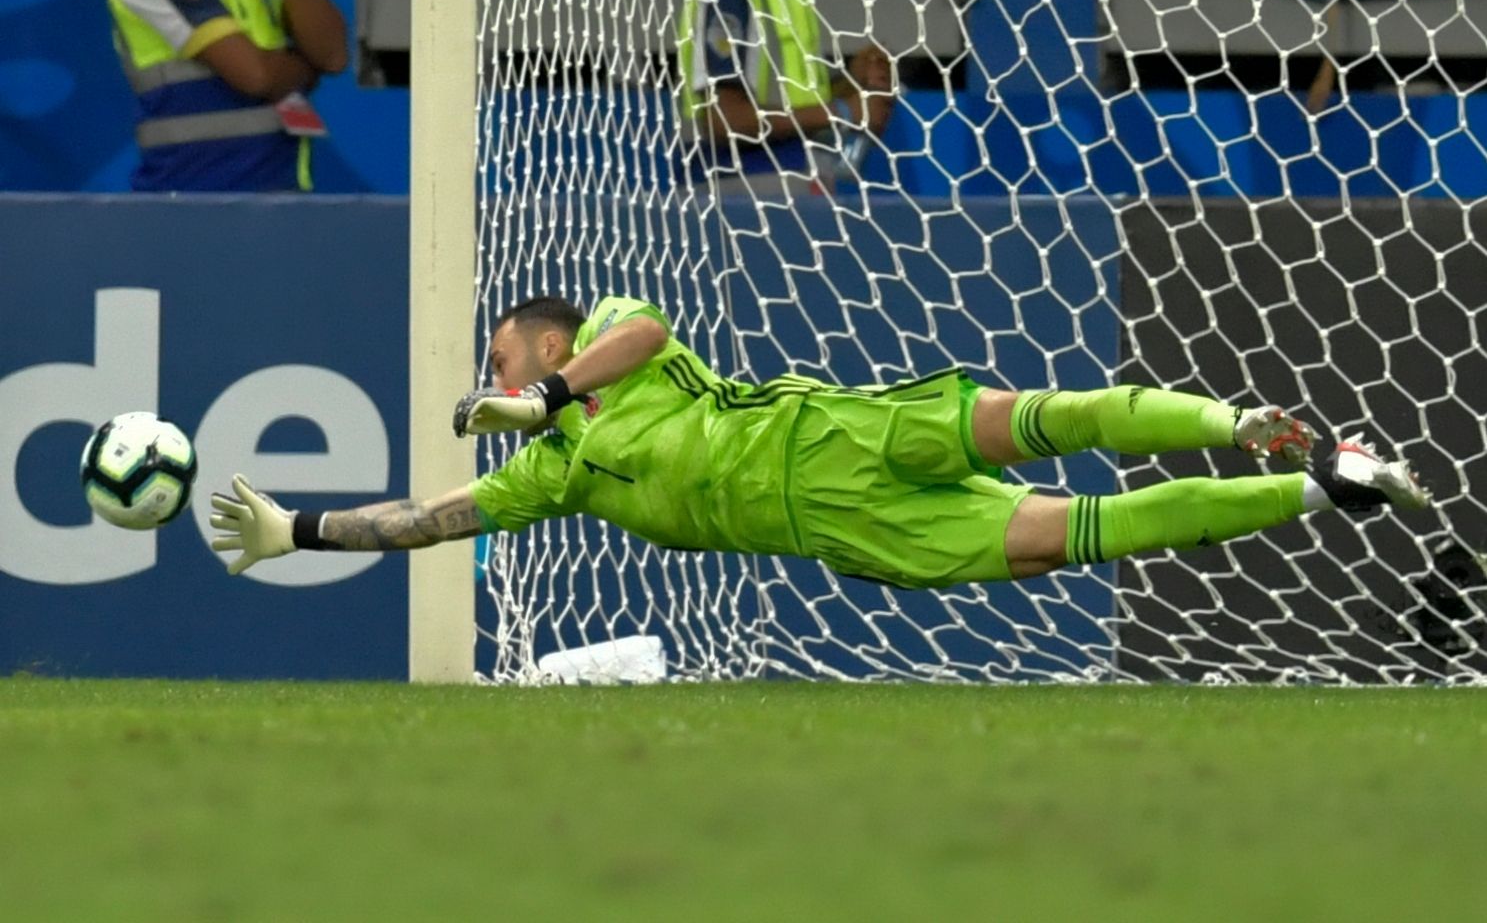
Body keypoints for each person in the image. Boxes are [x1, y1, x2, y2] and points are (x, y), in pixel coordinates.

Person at [209, 296, 1431, 587]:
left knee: (1048, 417)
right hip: (839, 525)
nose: (492, 374)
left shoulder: (621, 334)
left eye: (501, 357)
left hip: (838, 432)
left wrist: (551, 396)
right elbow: (429, 518)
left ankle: (1237, 421)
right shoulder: (550, 475)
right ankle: (1322, 485)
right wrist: (296, 527)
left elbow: (636, 338)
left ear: (543, 339)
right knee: (1080, 531)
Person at [99, 0, 347, 192]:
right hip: (191, 201)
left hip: (280, 195)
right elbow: (257, 76)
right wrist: (305, 69)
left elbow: (332, 56)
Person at [677, 0, 895, 197]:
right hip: (739, 194)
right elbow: (724, 121)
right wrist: (843, 112)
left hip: (794, 186)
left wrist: (850, 84)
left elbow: (795, 101)